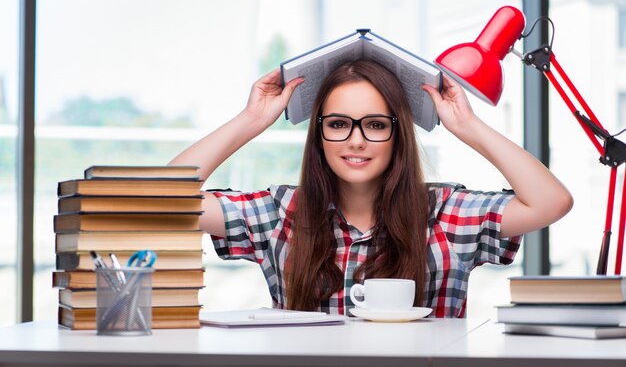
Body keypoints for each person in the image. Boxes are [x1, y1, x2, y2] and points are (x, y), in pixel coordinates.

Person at [169, 60, 573, 317]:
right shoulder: (281, 212)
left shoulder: (447, 212)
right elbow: (160, 196)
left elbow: (551, 202)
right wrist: (252, 120)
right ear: (320, 135)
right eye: (339, 124)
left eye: (376, 125)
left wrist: (468, 127)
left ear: (398, 135)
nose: (356, 140)